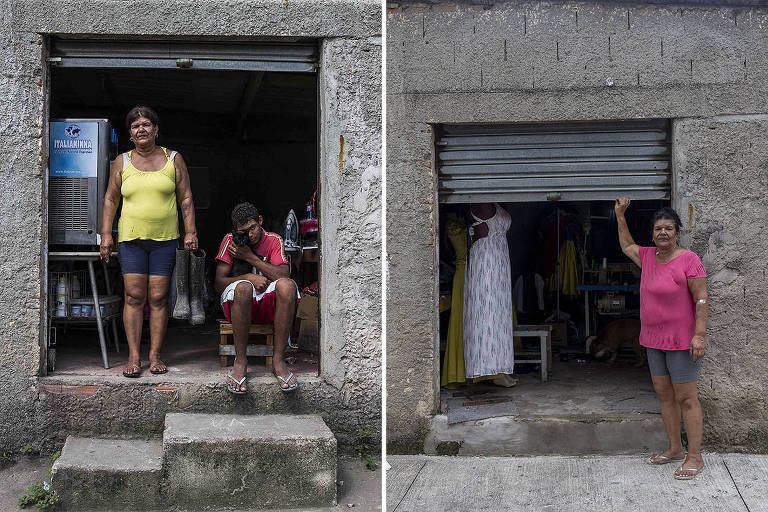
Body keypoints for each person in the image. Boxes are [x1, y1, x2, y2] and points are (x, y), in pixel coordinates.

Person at [100, 106, 198, 378]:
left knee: (158, 297)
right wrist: (107, 234)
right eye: (134, 126)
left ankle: (155, 355)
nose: (140, 129)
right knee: (133, 296)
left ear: (156, 129)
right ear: (130, 134)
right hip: (131, 240)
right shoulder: (123, 162)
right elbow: (110, 199)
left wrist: (191, 231)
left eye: (145, 124)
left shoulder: (173, 159)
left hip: (165, 240)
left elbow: (186, 198)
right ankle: (134, 356)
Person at [615, 198, 708, 480]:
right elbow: (627, 246)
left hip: (681, 341)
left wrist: (699, 336)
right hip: (653, 340)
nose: (663, 233)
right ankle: (675, 449)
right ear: (653, 234)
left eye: (668, 228)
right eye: (658, 229)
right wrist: (620, 215)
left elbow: (701, 300)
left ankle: (695, 457)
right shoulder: (646, 257)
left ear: (677, 233)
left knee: (687, 398)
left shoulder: (689, 259)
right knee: (664, 396)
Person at [214, 202, 300, 394]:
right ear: (236, 229)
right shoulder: (231, 241)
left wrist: (250, 258)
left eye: (252, 228)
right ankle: (240, 360)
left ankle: (278, 360)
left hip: (268, 305)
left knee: (287, 286)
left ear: (260, 221)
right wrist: (248, 277)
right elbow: (219, 284)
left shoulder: (273, 240)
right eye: (243, 231)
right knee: (244, 288)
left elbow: (284, 275)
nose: (249, 235)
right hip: (240, 304)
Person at [463, 202, 517, 387]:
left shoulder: (495, 201)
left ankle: (500, 368)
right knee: (486, 313)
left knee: (500, 315)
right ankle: (486, 367)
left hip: (500, 257)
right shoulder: (479, 201)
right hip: (486, 258)